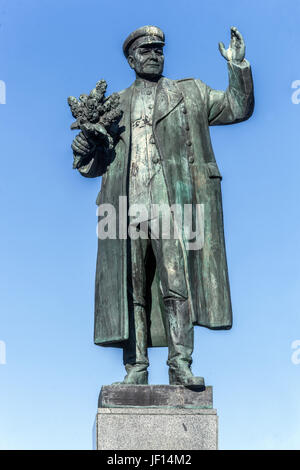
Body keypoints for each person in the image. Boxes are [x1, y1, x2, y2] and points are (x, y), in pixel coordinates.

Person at [71, 25, 254, 387]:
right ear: (131, 58)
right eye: (146, 50)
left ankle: (180, 364)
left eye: (159, 49)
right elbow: (94, 165)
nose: (154, 55)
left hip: (173, 207)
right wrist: (82, 149)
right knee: (132, 289)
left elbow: (237, 106)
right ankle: (136, 367)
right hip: (125, 210)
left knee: (176, 285)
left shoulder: (190, 93)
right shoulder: (115, 107)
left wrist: (238, 66)